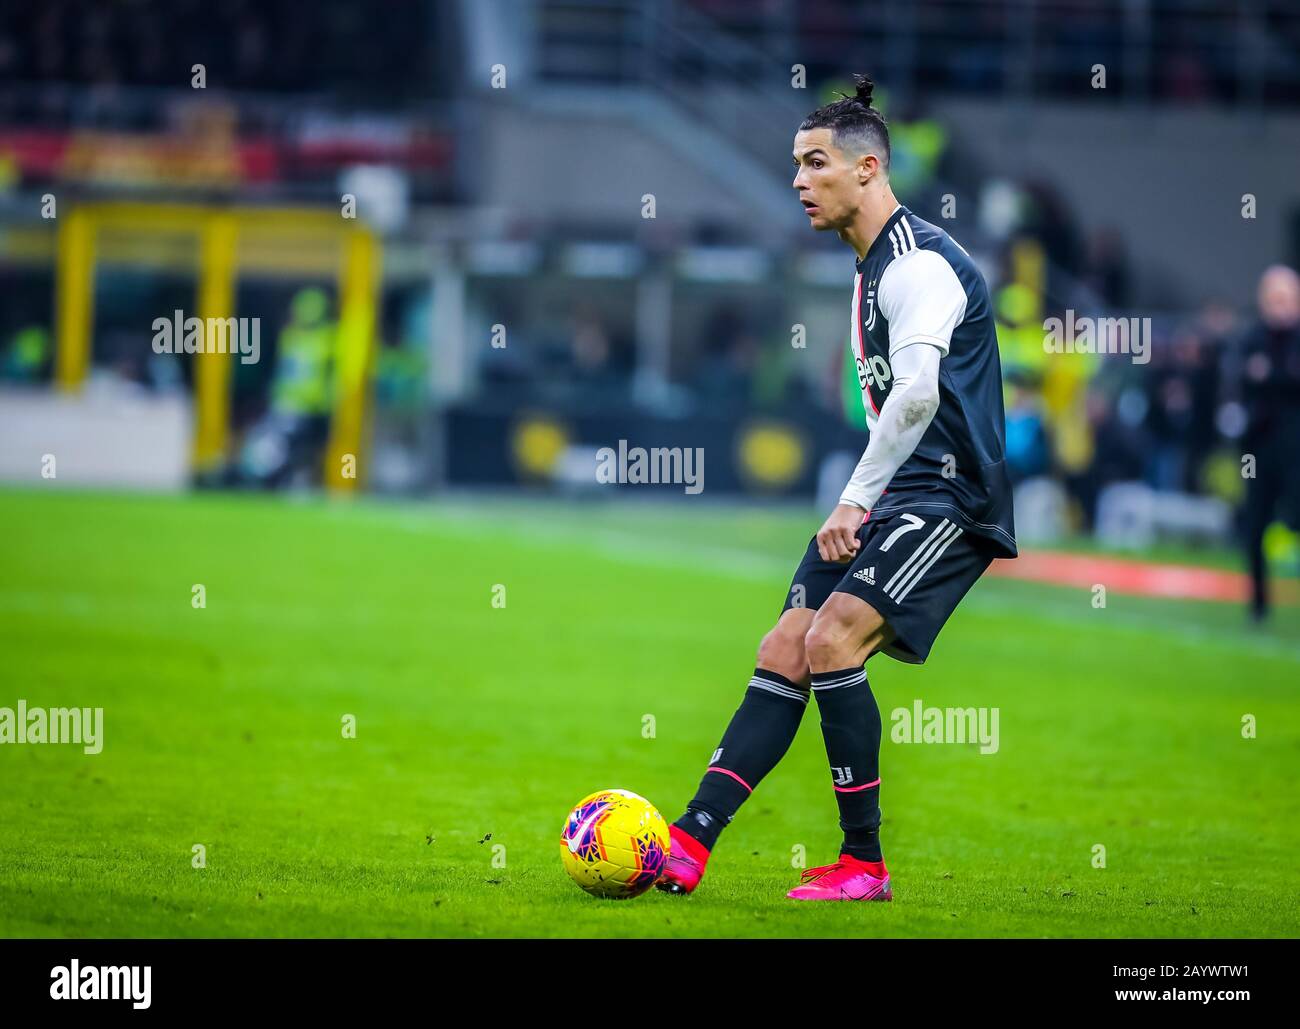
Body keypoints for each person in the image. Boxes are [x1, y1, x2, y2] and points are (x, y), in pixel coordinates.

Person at [657, 74, 1017, 902]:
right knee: (785, 646)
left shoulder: (916, 264)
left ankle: (864, 864)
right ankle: (686, 841)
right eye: (795, 164)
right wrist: (867, 493)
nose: (797, 181)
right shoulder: (864, 270)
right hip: (901, 489)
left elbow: (919, 395)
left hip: (951, 496)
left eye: (815, 162)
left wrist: (855, 498)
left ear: (868, 169)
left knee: (832, 642)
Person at [1237, 265, 1300, 621]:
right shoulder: (1253, 338)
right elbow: (1246, 379)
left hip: (1294, 449)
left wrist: (1271, 375)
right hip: (1260, 449)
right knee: (1255, 523)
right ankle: (1258, 605)